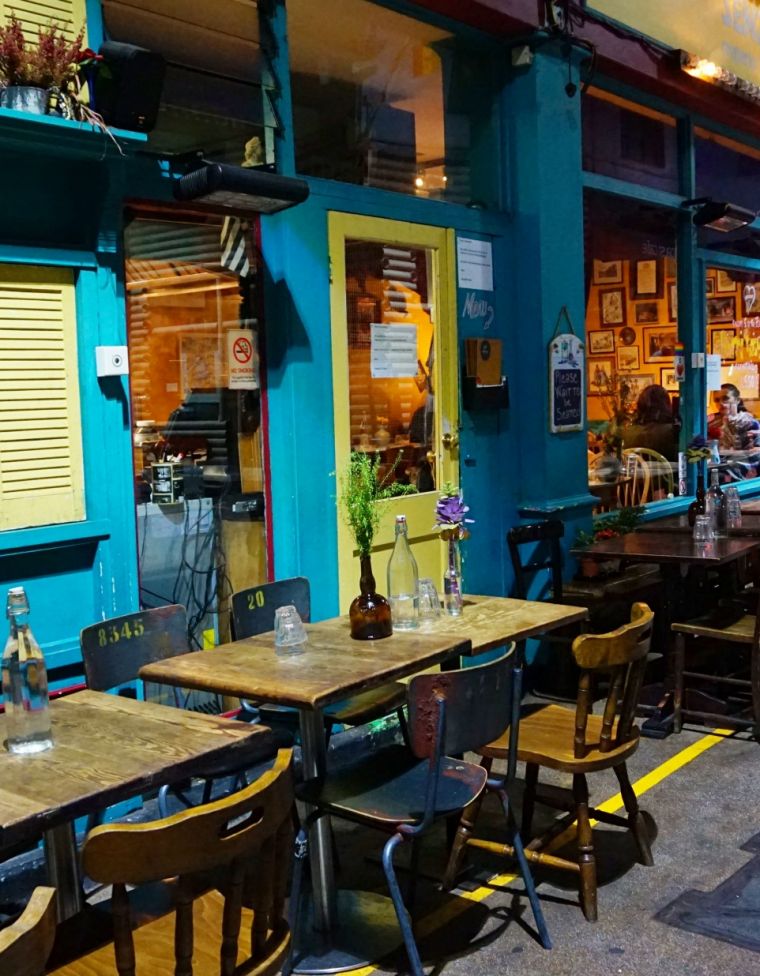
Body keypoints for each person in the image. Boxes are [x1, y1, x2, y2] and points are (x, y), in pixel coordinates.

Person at [621, 384, 677, 460]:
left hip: (638, 468)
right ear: (666, 405)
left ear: (641, 405)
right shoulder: (671, 431)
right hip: (667, 468)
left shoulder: (629, 431)